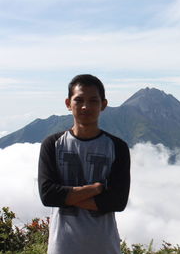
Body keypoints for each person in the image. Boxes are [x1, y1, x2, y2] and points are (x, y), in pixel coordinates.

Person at [38, 74, 131, 254]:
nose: (85, 107)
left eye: (93, 101)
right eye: (78, 100)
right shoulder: (52, 144)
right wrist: (96, 189)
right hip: (62, 247)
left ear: (103, 104)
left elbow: (118, 202)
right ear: (68, 103)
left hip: (104, 247)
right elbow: (48, 195)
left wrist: (66, 197)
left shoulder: (117, 147)